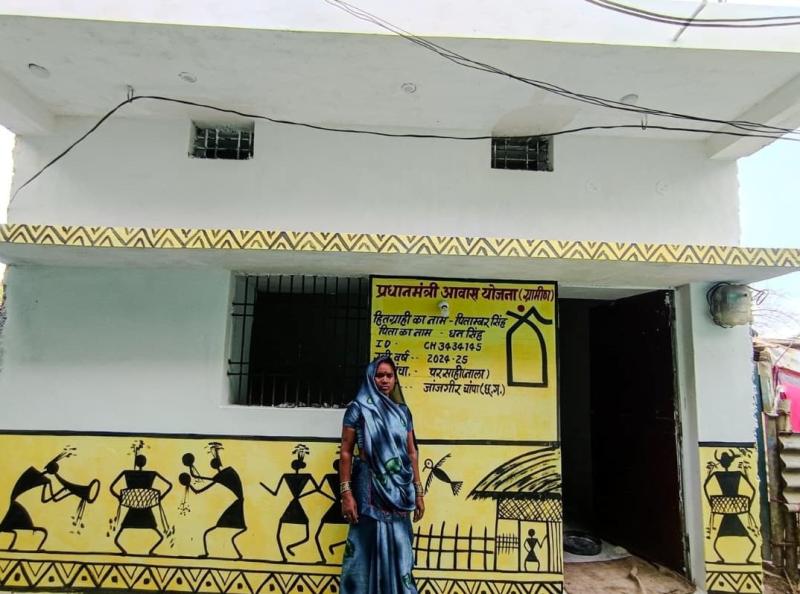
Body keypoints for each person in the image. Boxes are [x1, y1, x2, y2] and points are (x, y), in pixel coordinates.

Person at [338, 356, 424, 594]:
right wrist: (346, 494)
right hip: (368, 487)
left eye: (389, 375)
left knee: (401, 548)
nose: (385, 380)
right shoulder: (358, 409)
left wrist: (418, 491)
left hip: (399, 490)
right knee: (364, 546)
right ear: (370, 378)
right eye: (379, 375)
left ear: (395, 379)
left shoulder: (402, 412)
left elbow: (412, 452)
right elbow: (346, 452)